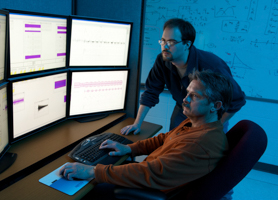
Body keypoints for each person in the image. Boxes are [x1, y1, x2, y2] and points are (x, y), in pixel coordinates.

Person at [59, 70, 232, 197]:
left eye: (194, 96)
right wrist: (130, 149)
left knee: (84, 191)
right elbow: (166, 139)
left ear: (215, 106)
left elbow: (151, 172)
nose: (185, 99)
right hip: (150, 175)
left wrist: (93, 172)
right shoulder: (197, 122)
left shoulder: (200, 142)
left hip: (148, 188)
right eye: (187, 93)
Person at [121, 18, 246, 135]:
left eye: (171, 42)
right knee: (173, 145)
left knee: (203, 153)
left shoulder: (212, 65)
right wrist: (137, 123)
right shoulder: (162, 60)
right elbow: (151, 92)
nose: (165, 46)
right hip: (183, 109)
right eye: (163, 41)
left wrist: (216, 125)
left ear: (187, 44)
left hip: (209, 116)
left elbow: (237, 100)